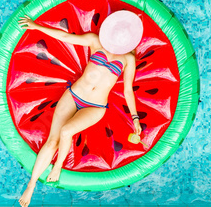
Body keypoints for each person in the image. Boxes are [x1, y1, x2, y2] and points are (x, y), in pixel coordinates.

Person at [17, 11, 143, 207]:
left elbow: (128, 91)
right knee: (52, 142)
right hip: (74, 96)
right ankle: (31, 185)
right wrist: (37, 26)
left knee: (66, 131)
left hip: (96, 106)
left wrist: (135, 118)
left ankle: (57, 167)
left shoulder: (128, 59)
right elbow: (67, 37)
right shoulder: (95, 41)